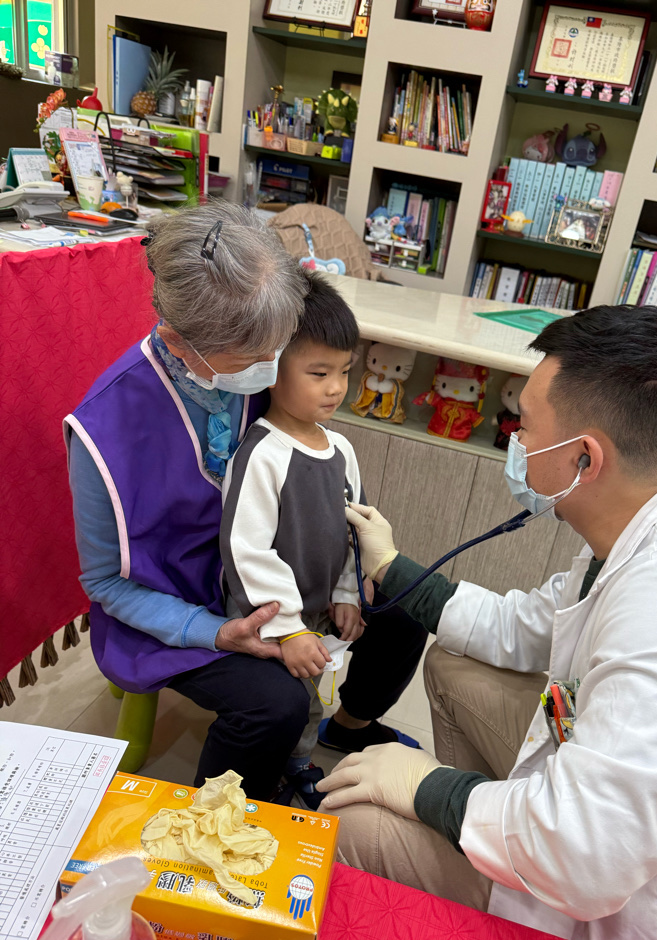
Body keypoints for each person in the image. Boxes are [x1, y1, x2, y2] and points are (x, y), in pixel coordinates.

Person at [317, 304, 657, 940]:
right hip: (597, 817)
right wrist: (393, 566)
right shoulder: (641, 530)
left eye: (524, 425)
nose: (514, 439)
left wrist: (428, 787)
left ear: (585, 458)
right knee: (457, 668)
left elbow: (590, 853)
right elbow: (518, 627)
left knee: (356, 824)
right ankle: (491, 842)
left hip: (632, 919)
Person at [66, 201, 427, 802]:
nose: (271, 370)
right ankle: (221, 820)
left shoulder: (255, 363)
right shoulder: (103, 433)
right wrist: (216, 632)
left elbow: (313, 475)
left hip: (280, 575)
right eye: (256, 359)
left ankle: (349, 724)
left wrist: (352, 572)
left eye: (279, 351)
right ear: (180, 344)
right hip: (183, 606)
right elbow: (106, 584)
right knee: (275, 703)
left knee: (405, 607)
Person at [220, 271, 415, 809]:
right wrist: (286, 628)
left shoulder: (341, 449)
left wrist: (348, 594)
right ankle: (280, 773)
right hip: (267, 616)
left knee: (319, 692)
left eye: (345, 372)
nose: (336, 388)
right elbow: (246, 551)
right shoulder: (262, 455)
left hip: (319, 607)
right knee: (295, 701)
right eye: (319, 373)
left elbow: (354, 531)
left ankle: (308, 754)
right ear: (271, 370)